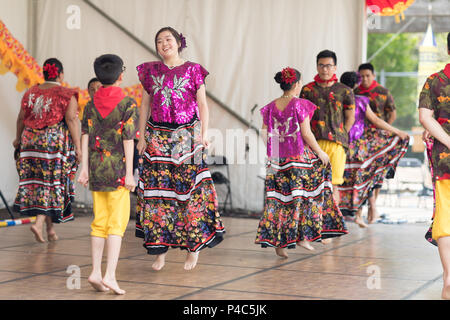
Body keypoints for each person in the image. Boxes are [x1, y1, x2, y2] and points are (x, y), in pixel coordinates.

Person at [135, 27, 225, 271]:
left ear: (178, 43)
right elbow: (144, 106)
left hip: (187, 137)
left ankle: (193, 247)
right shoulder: (149, 71)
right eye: (159, 41)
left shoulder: (194, 70)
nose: (164, 44)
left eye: (168, 39)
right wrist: (141, 136)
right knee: (157, 194)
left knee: (190, 193)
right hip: (157, 137)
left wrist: (204, 134)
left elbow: (203, 104)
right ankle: (159, 251)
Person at [255, 67, 348, 257]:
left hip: (276, 160)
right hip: (297, 159)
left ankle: (280, 245)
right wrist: (320, 152)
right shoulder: (300, 104)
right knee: (306, 196)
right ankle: (303, 237)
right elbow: (306, 133)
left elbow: (264, 132)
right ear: (297, 85)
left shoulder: (271, 106)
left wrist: (273, 150)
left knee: (279, 199)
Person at [78, 54, 138, 295]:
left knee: (99, 221)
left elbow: (85, 136)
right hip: (117, 171)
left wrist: (83, 168)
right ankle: (110, 275)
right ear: (121, 76)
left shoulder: (90, 104)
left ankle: (94, 271)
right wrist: (131, 174)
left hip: (95, 169)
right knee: (117, 224)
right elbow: (129, 139)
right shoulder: (127, 104)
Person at [13, 58, 81, 243]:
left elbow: (21, 118)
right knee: (51, 182)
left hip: (29, 143)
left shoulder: (31, 92)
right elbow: (72, 121)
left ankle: (50, 230)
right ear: (60, 74)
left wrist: (18, 139)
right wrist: (78, 147)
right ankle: (39, 222)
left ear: (44, 73)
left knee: (36, 183)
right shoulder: (66, 94)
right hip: (51, 144)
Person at [338, 71, 409, 228]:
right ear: (356, 84)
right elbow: (376, 120)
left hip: (341, 146)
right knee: (362, 179)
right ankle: (359, 214)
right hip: (359, 146)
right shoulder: (361, 100)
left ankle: (343, 216)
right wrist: (397, 132)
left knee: (341, 182)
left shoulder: (337, 99)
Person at [300, 50, 355, 206]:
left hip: (336, 144)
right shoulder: (307, 90)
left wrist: (341, 134)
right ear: (317, 67)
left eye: (328, 66)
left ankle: (332, 225)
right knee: (312, 186)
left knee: (333, 186)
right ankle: (314, 222)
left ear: (335, 67)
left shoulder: (345, 90)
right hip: (312, 143)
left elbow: (350, 117)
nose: (325, 69)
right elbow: (302, 119)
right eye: (321, 65)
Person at [418, 32, 450, 300]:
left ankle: (449, 277)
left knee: (446, 221)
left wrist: (446, 139)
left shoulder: (435, 81)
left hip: (445, 158)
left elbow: (426, 118)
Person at [355, 62, 397, 223]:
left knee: (377, 173)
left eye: (367, 75)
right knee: (362, 173)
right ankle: (360, 209)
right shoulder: (354, 91)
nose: (365, 79)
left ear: (373, 76)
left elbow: (392, 113)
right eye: (362, 76)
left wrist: (386, 131)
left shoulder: (382, 92)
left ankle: (373, 207)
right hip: (361, 138)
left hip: (379, 138)